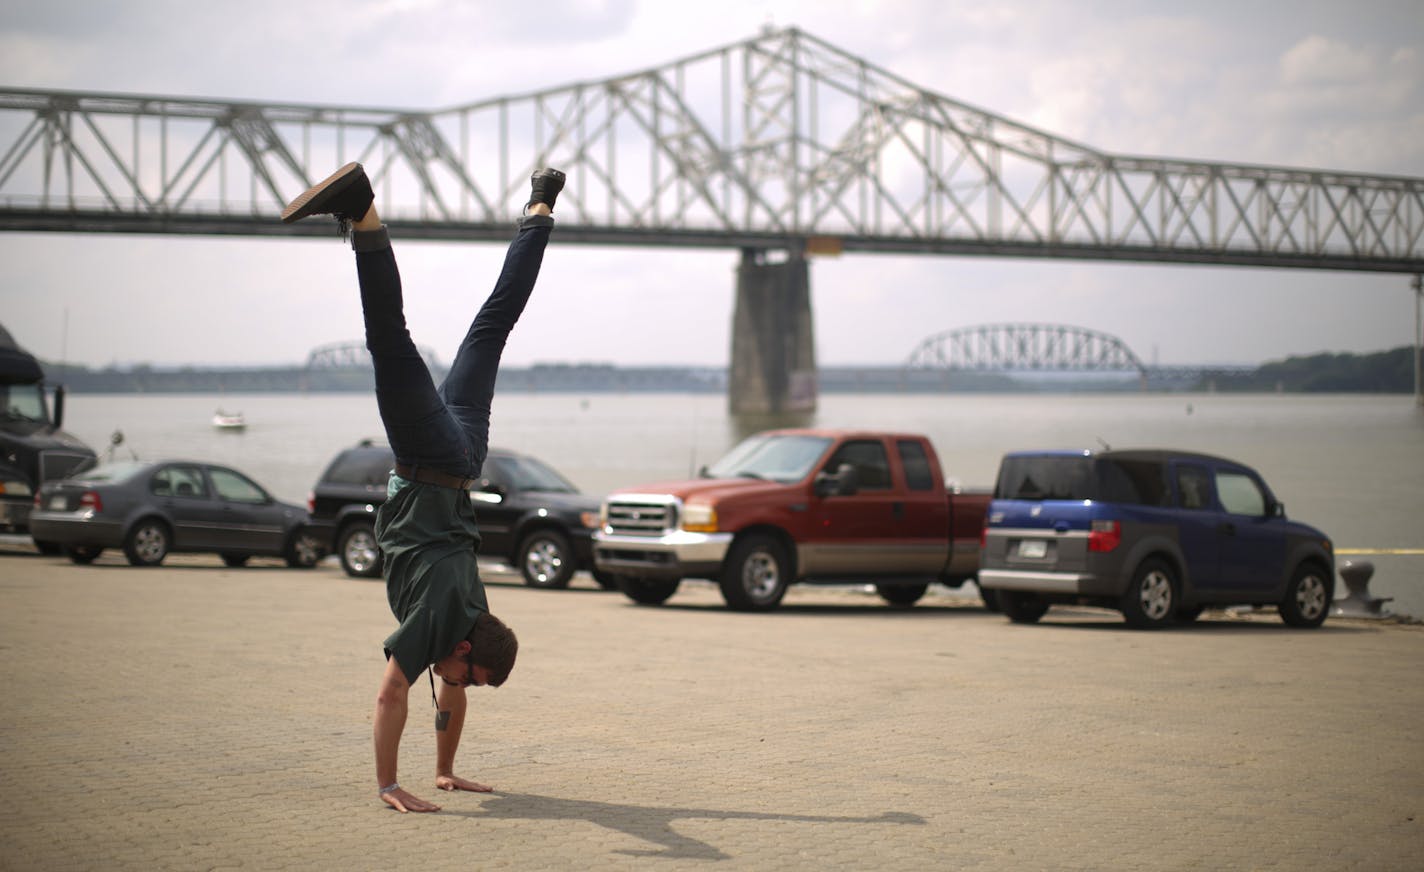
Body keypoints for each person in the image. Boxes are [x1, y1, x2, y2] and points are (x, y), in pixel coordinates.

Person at [280, 161, 565, 813]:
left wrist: (445, 770)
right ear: (462, 647)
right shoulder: (440, 615)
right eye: (471, 675)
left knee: (493, 325)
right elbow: (390, 694)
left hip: (466, 454)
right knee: (388, 339)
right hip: (426, 456)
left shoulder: (473, 611)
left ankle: (541, 208)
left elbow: (452, 688)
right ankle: (362, 212)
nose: (466, 685)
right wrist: (389, 784)